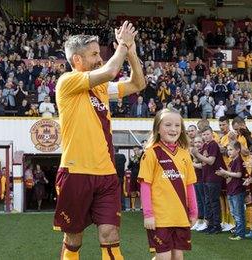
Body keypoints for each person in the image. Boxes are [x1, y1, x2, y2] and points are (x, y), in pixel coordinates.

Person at [53, 21, 146, 260]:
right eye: (94, 54)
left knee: (110, 234)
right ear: (77, 60)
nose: (99, 58)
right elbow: (110, 71)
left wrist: (132, 51)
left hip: (106, 174)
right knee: (73, 239)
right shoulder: (67, 82)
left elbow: (138, 84)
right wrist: (123, 45)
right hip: (75, 172)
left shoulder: (103, 88)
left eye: (100, 53)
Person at [138, 108, 197, 259]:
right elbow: (145, 186)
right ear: (158, 128)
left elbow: (189, 185)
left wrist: (193, 212)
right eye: (168, 125)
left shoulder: (185, 154)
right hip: (160, 218)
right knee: (164, 257)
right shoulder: (151, 153)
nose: (173, 129)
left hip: (180, 217)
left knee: (178, 257)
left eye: (177, 125)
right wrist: (148, 214)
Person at [191, 126, 227, 234]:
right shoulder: (205, 145)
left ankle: (217, 225)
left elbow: (211, 161)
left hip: (214, 177)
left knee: (214, 202)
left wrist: (196, 154)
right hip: (206, 177)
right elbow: (203, 163)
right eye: (203, 134)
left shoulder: (213, 144)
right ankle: (210, 224)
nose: (206, 136)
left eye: (207, 134)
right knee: (208, 202)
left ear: (212, 134)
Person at [216, 142, 247, 240]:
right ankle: (238, 231)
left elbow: (238, 174)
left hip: (237, 190)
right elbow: (231, 174)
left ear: (237, 150)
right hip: (231, 190)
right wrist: (223, 174)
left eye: (231, 149)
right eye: (228, 150)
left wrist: (225, 172)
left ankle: (241, 233)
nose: (228, 152)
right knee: (234, 212)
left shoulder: (238, 160)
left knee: (238, 213)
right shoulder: (232, 161)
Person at [190, 136, 207, 231]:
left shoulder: (203, 153)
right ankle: (199, 220)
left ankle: (205, 220)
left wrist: (193, 163)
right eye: (196, 142)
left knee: (203, 201)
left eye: (200, 142)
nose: (198, 144)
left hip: (202, 179)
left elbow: (203, 165)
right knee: (198, 201)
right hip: (196, 179)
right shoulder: (195, 153)